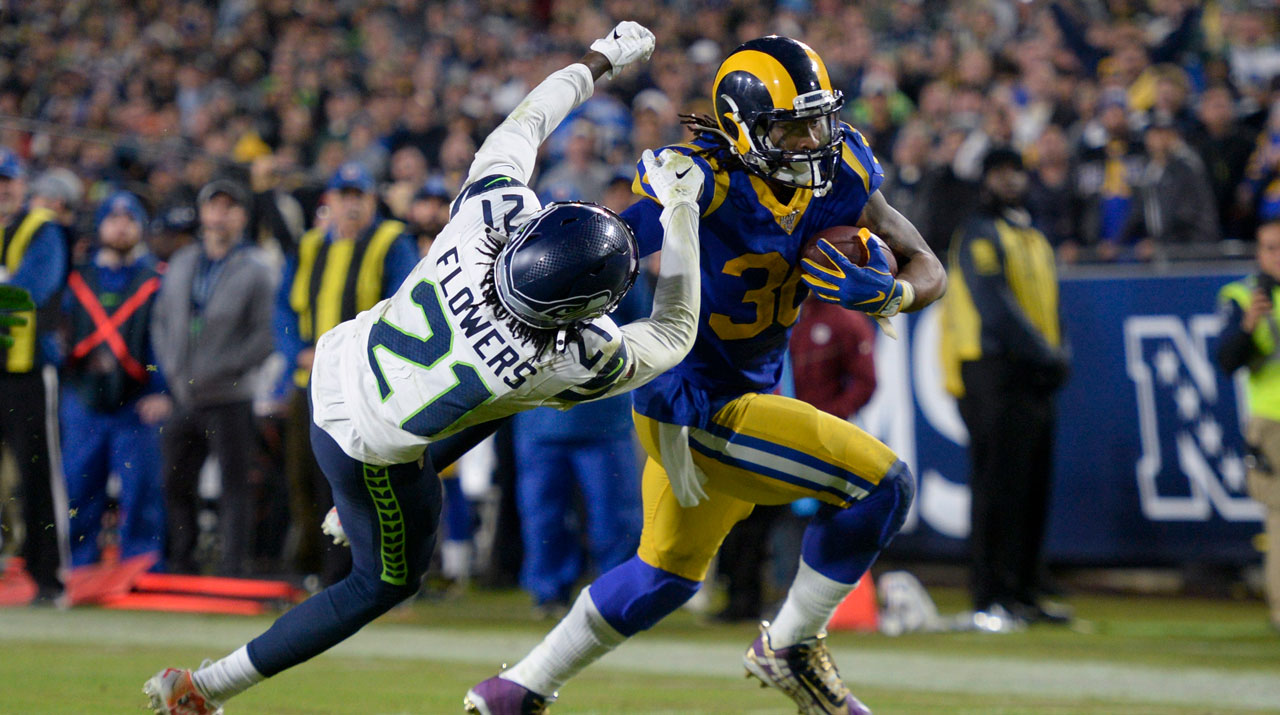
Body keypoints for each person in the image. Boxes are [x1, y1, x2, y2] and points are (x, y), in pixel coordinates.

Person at [143, 21, 705, 715]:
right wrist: (681, 211)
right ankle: (203, 688)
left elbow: (527, 118)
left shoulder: (486, 217)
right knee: (384, 581)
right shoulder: (559, 353)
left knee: (493, 404)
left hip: (338, 368)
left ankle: (354, 513)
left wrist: (604, 58)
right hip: (367, 445)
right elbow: (675, 332)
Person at [469, 36, 946, 715]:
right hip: (692, 403)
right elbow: (602, 247)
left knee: (663, 577)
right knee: (882, 484)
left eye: (818, 119)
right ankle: (792, 644)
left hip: (738, 393)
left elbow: (929, 265)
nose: (813, 138)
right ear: (745, 127)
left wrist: (893, 295)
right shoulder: (703, 180)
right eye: (792, 125)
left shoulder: (840, 173)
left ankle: (516, 688)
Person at [939, 147, 1071, 629]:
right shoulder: (978, 231)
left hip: (1031, 369)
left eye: (1016, 171)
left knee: (1033, 485)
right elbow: (994, 307)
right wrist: (1047, 352)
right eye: (1000, 173)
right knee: (997, 485)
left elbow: (1049, 304)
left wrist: (1059, 351)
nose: (1010, 181)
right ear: (985, 180)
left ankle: (1026, 590)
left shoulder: (1030, 233)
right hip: (990, 368)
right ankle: (990, 594)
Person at [275, 161, 417, 586]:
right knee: (304, 479)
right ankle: (317, 570)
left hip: (365, 389)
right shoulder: (308, 246)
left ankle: (364, 573)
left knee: (356, 483)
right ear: (329, 202)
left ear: (373, 202)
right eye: (344, 196)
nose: (352, 205)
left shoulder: (392, 242)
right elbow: (282, 308)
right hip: (309, 385)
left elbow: (403, 302)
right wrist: (294, 351)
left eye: (360, 197)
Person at [150, 179, 278, 576]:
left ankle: (232, 566)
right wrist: (173, 370)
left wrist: (223, 369)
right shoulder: (185, 261)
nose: (220, 215)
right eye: (214, 206)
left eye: (230, 207)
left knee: (234, 485)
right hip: (184, 391)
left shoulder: (256, 268)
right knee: (175, 481)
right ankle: (181, 561)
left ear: (242, 216)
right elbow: (162, 320)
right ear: (202, 213)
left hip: (230, 393)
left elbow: (265, 335)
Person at [61, 192, 170, 569]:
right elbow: (59, 332)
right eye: (113, 217)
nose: (121, 225)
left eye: (130, 218)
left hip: (137, 404)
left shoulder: (157, 280)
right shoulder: (76, 277)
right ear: (101, 224)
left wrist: (164, 391)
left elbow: (166, 342)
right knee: (77, 489)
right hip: (82, 401)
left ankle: (142, 571)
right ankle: (76, 568)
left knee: (141, 492)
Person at [0, 147, 70, 604]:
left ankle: (50, 577)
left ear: (21, 187)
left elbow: (29, 292)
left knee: (37, 472)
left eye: (6, 182)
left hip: (26, 372)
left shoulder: (41, 230)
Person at [1216, 220, 1280, 632]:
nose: (1277, 256)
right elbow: (1226, 360)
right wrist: (1247, 325)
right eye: (1270, 248)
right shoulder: (1243, 297)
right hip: (1272, 423)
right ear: (1259, 254)